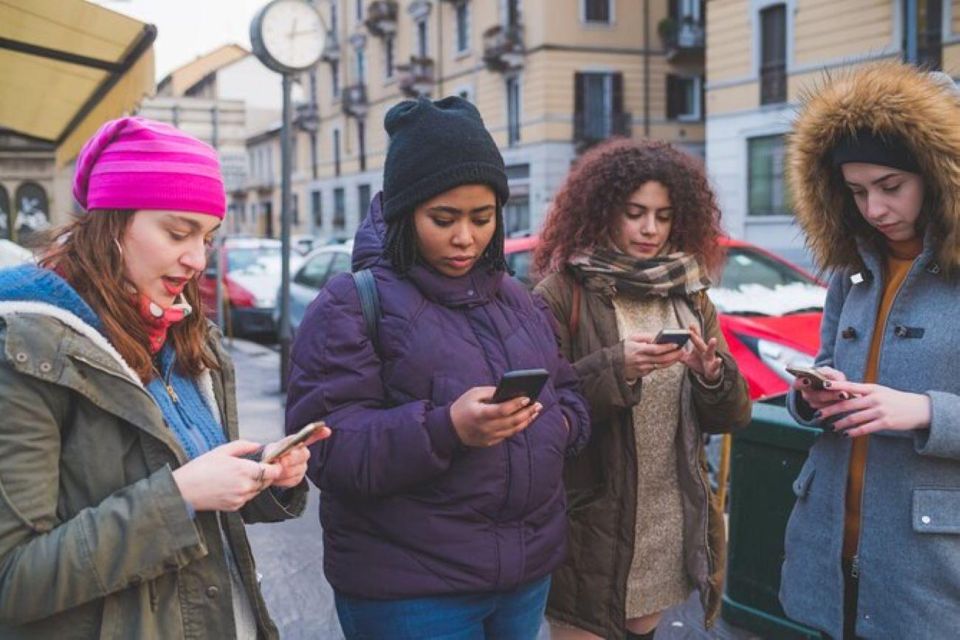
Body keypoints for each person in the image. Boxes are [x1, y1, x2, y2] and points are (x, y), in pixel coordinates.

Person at [0, 117, 328, 639]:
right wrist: (179, 497)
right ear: (110, 225)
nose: (198, 259)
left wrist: (258, 476)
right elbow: (12, 579)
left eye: (208, 236)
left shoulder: (184, 336)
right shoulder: (27, 347)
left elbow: (194, 497)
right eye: (178, 232)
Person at [285, 96, 591, 640]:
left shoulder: (518, 299)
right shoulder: (349, 304)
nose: (465, 238)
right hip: (411, 593)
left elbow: (566, 391)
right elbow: (325, 448)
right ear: (405, 214)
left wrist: (561, 424)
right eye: (443, 219)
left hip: (524, 578)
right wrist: (447, 428)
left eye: (483, 217)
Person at [532, 138, 752, 640]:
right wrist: (618, 366)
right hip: (592, 521)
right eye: (635, 213)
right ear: (604, 211)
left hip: (664, 518)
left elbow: (733, 415)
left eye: (663, 215)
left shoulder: (690, 293)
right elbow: (540, 407)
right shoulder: (562, 292)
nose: (650, 229)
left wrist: (711, 374)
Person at [781, 61, 960, 639]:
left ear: (938, 176)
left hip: (930, 565)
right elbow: (831, 361)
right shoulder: (854, 268)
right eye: (856, 191)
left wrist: (925, 411)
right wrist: (812, 395)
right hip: (832, 540)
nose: (874, 210)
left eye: (890, 187)